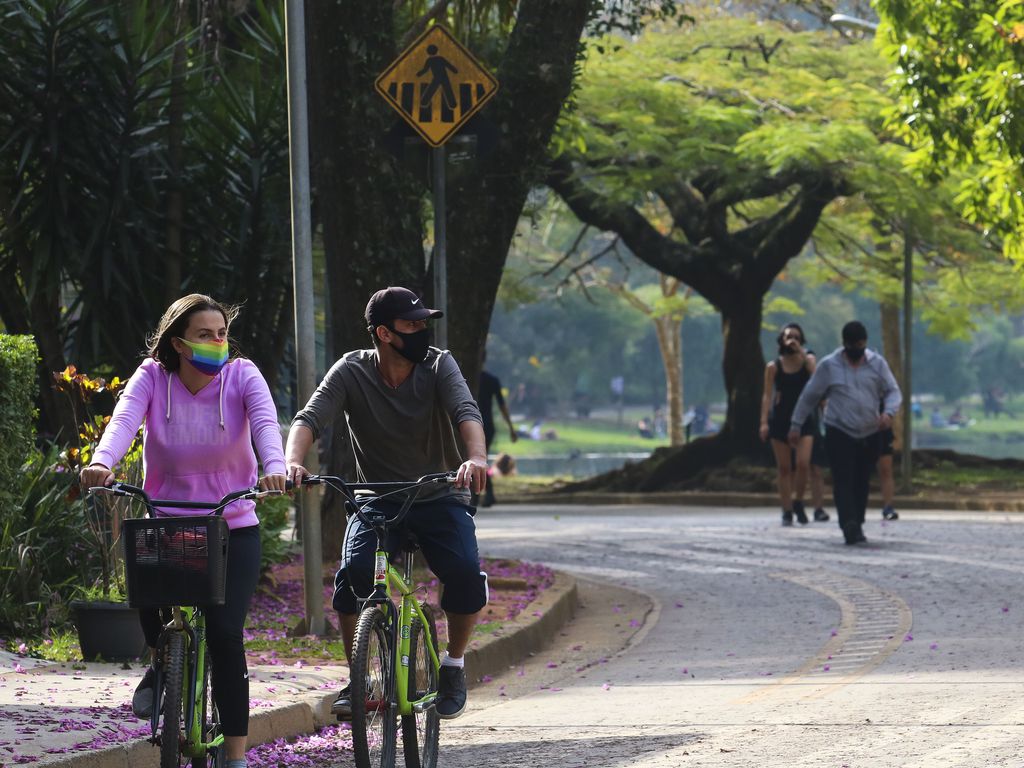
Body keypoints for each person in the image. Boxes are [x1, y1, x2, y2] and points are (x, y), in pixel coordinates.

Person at [79, 294, 287, 768]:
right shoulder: (153, 377)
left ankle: (235, 756)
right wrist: (101, 462)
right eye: (204, 335)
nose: (217, 342)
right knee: (149, 603)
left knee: (225, 635)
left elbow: (265, 425)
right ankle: (162, 659)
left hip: (233, 527)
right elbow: (123, 420)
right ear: (178, 343)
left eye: (222, 334)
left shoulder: (242, 375)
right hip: (168, 525)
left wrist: (274, 468)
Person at [284, 286, 488, 721]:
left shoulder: (439, 364)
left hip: (439, 493)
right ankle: (359, 678)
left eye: (423, 323)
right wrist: (293, 463)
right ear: (384, 333)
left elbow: (466, 412)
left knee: (464, 573)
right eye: (411, 324)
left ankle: (453, 665)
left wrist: (476, 458)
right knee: (353, 576)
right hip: (377, 497)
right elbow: (309, 418)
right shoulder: (351, 370)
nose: (421, 331)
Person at [789, 321, 902, 546]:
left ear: (865, 343)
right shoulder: (829, 365)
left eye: (859, 345)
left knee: (861, 479)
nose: (855, 350)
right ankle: (848, 524)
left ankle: (857, 521)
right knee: (843, 478)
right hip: (839, 429)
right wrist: (796, 424)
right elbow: (809, 396)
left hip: (870, 431)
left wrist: (889, 413)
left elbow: (893, 391)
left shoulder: (877, 364)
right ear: (844, 344)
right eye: (851, 346)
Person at [759, 323, 817, 526]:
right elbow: (767, 395)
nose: (792, 340)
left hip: (804, 419)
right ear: (781, 340)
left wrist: (801, 353)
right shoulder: (773, 366)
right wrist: (764, 422)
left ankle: (798, 500)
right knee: (784, 468)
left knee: (803, 464)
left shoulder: (808, 361)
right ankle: (786, 510)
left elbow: (817, 380)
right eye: (788, 337)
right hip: (780, 419)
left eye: (796, 337)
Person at [477, 354, 518, 507]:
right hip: (484, 425)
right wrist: (511, 428)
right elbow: (502, 406)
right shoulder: (490, 380)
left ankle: (486, 493)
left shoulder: (470, 379)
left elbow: (502, 405)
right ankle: (481, 493)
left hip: (482, 425)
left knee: (477, 459)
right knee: (477, 459)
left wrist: (511, 428)